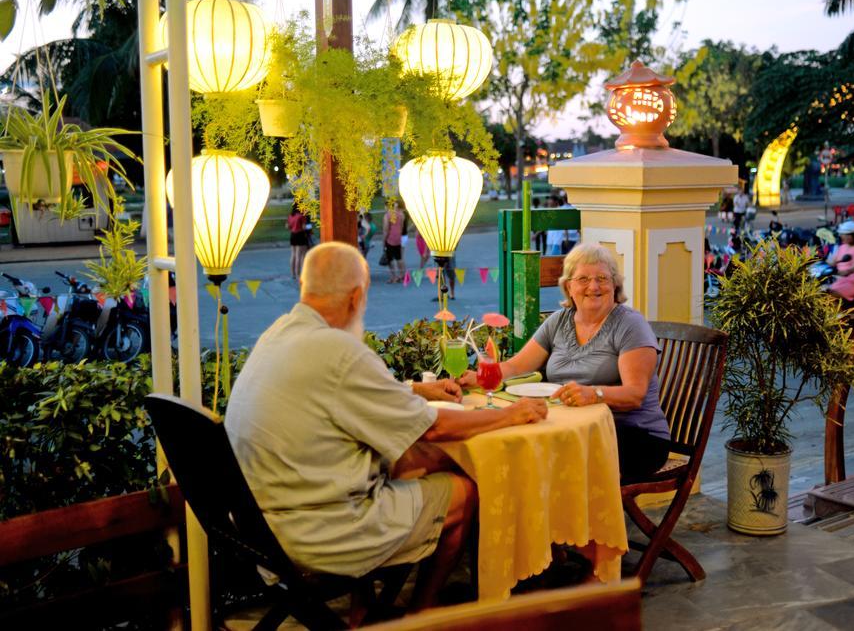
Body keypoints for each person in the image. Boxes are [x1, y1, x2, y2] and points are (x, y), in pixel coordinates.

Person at [225, 243, 547, 610]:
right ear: (357, 295)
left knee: (418, 461)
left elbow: (340, 391)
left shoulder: (279, 334)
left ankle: (369, 610)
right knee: (464, 491)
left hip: (261, 527)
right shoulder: (337, 350)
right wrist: (511, 415)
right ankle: (420, 613)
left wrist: (416, 390)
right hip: (317, 532)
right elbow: (434, 429)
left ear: (305, 285)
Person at [460, 242, 670, 482]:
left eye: (602, 278)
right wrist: (480, 377)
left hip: (634, 436)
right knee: (512, 441)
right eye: (583, 279)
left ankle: (559, 518)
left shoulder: (629, 325)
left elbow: (635, 394)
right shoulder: (559, 321)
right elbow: (517, 366)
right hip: (569, 427)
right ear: (569, 286)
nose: (593, 286)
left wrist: (594, 394)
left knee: (539, 457)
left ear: (615, 285)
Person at [826, 220, 854, 303]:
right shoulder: (842, 247)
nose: (843, 236)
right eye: (842, 234)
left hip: (853, 282)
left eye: (847, 235)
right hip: (840, 281)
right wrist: (818, 259)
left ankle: (838, 315)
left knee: (831, 294)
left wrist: (847, 272)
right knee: (824, 292)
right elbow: (833, 262)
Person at [286, 203, 311, 281]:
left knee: (293, 255)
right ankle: (298, 274)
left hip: (292, 235)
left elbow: (287, 226)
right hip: (300, 235)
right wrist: (309, 227)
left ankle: (293, 274)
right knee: (299, 256)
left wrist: (293, 228)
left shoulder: (290, 216)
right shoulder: (301, 216)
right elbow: (304, 227)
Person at [383, 204, 406, 284]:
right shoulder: (401, 214)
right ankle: (402, 275)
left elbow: (386, 229)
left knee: (389, 259)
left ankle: (394, 277)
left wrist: (384, 241)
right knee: (399, 258)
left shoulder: (387, 215)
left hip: (390, 239)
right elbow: (402, 227)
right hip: (398, 239)